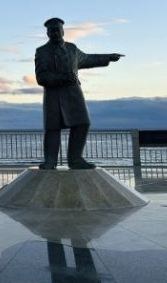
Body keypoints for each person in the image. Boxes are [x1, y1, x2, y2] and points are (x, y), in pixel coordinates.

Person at [34, 17, 122, 170]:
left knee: (83, 123)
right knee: (53, 128)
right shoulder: (42, 52)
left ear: (63, 31)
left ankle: (75, 159)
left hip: (73, 93)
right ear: (47, 33)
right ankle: (50, 160)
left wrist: (108, 57)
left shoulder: (72, 49)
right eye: (51, 30)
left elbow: (88, 59)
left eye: (57, 29)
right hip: (53, 96)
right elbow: (41, 77)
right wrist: (61, 78)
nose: (55, 33)